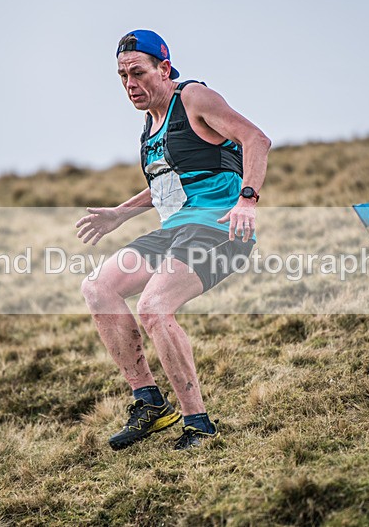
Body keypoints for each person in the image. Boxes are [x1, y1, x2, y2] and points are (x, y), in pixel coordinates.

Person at [77, 29, 270, 450]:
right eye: (122, 76)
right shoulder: (150, 127)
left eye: (138, 72)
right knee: (97, 287)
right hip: (174, 232)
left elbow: (257, 139)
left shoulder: (194, 98)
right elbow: (169, 184)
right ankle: (149, 402)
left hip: (220, 230)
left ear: (164, 69)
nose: (130, 85)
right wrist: (118, 214)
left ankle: (198, 424)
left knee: (154, 306)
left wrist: (248, 200)